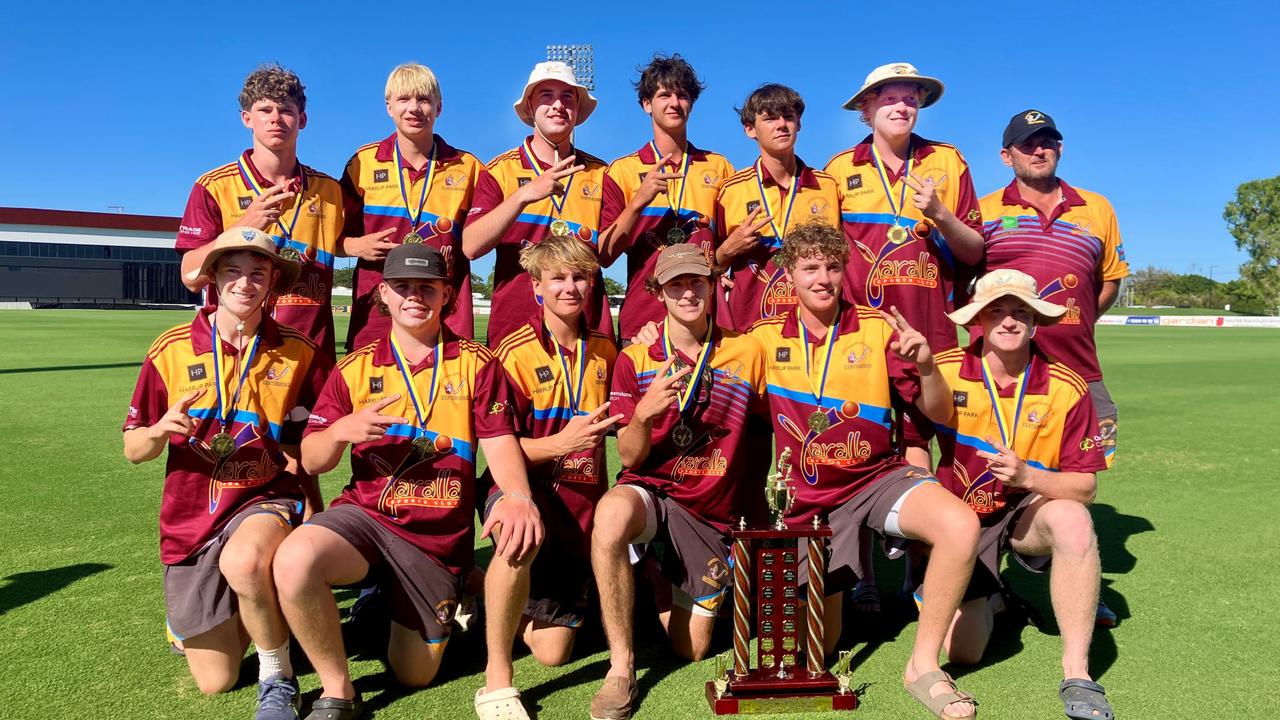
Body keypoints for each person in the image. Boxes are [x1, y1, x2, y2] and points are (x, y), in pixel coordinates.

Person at [273, 245, 544, 720]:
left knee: (412, 673)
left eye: (426, 287)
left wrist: (518, 497)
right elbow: (312, 460)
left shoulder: (477, 363)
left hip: (435, 540)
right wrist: (340, 430)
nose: (414, 297)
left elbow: (500, 443)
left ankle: (422, 592)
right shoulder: (355, 367)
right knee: (295, 560)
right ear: (384, 294)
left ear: (446, 295)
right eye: (403, 287)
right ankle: (339, 692)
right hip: (368, 517)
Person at [748, 223, 980, 720]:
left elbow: (939, 413)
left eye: (832, 267)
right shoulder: (762, 339)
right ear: (789, 275)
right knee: (814, 650)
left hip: (876, 480)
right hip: (806, 505)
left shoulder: (877, 328)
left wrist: (926, 367)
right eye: (810, 267)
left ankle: (923, 665)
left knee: (960, 524)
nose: (823, 278)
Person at [123, 227, 331, 720]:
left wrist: (313, 497)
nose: (245, 282)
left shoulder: (299, 350)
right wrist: (159, 430)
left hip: (265, 496)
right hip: (191, 515)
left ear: (273, 282)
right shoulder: (171, 347)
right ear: (213, 277)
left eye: (258, 272)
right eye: (232, 270)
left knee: (244, 563)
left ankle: (277, 675)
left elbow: (311, 444)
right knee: (215, 681)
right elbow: (134, 449)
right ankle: (246, 611)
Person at [590, 244, 767, 720]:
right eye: (676, 285)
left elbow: (764, 431)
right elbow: (629, 454)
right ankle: (620, 667)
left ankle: (660, 574)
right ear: (658, 292)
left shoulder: (747, 351)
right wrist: (644, 414)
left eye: (696, 282)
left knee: (689, 648)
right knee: (609, 515)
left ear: (713, 285)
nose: (688, 292)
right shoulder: (636, 356)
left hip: (710, 511)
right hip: (652, 492)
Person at [930, 268, 1113, 720]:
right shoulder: (945, 370)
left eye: (1020, 313)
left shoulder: (1067, 386)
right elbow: (912, 443)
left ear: (1035, 323)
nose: (1009, 322)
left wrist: (1028, 477)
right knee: (964, 653)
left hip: (1025, 512)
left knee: (1072, 518)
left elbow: (1085, 485)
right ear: (979, 320)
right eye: (997, 312)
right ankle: (998, 597)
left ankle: (1078, 671)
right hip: (959, 518)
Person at [979, 109, 1130, 629]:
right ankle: (984, 581)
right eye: (1026, 144)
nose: (1038, 150)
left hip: (1081, 371)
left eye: (1047, 142)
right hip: (1003, 376)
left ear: (1059, 148)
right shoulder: (984, 210)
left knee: (1074, 481)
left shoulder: (1097, 208)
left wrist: (1077, 319)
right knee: (989, 475)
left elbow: (1107, 282)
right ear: (1007, 156)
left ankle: (1076, 580)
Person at [485, 234, 622, 665]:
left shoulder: (604, 350)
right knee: (552, 653)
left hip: (584, 509)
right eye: (557, 278)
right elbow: (497, 447)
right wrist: (560, 444)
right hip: (531, 500)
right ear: (536, 287)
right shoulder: (512, 352)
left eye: (580, 277)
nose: (570, 287)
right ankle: (488, 593)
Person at [175, 64, 358, 360]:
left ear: (303, 120)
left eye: (286, 110)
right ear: (247, 118)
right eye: (265, 110)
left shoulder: (329, 190)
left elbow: (344, 241)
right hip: (239, 352)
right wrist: (244, 226)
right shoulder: (213, 186)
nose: (276, 118)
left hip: (311, 355)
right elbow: (190, 276)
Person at [824, 62, 984, 357]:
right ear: (866, 109)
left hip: (933, 329)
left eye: (910, 100)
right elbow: (825, 257)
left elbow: (974, 252)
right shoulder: (839, 169)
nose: (902, 108)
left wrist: (940, 214)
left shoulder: (949, 159)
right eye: (889, 99)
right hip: (861, 333)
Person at [463, 61, 614, 347]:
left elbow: (608, 253)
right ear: (530, 107)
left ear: (577, 109)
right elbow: (470, 246)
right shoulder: (499, 171)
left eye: (567, 97)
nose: (558, 105)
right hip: (515, 330)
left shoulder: (600, 173)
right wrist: (523, 196)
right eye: (546, 95)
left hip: (588, 331)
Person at [339, 62, 486, 350]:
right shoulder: (362, 163)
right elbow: (330, 238)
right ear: (388, 106)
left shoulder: (468, 167)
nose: (414, 108)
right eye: (404, 99)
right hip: (376, 311)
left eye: (424, 99)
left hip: (447, 312)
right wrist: (355, 247)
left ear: (439, 107)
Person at [598, 54, 735, 341]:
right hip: (643, 323)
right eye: (664, 95)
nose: (674, 103)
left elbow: (727, 248)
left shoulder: (719, 167)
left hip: (706, 320)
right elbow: (604, 255)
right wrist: (639, 201)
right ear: (647, 104)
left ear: (691, 103)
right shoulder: (622, 170)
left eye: (682, 95)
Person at [713, 83, 842, 332]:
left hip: (818, 329)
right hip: (750, 328)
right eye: (770, 118)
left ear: (799, 124)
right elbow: (708, 265)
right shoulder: (731, 190)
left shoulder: (827, 186)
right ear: (750, 129)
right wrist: (728, 249)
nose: (782, 124)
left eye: (789, 117)